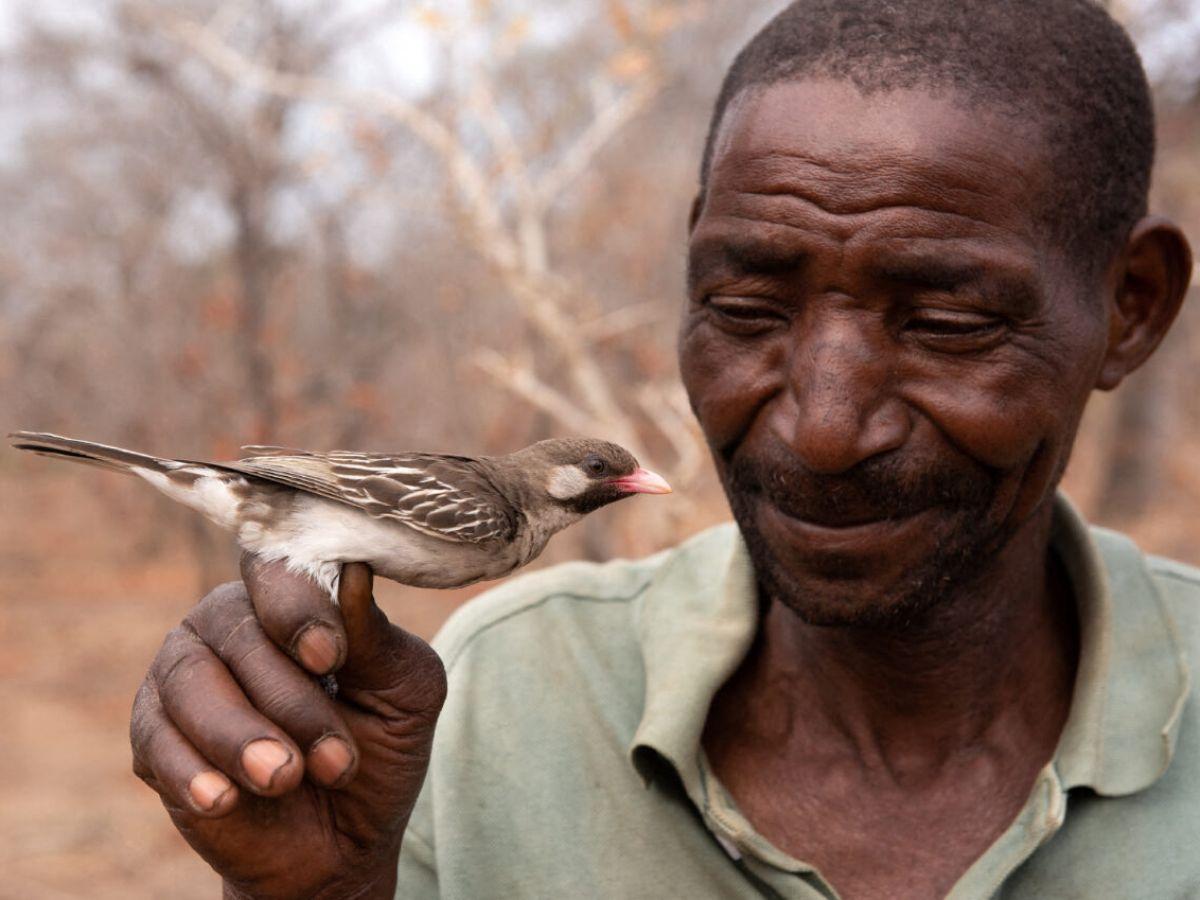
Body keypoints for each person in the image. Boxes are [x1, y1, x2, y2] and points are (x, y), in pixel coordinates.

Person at [129, 1, 1199, 897]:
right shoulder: (482, 699)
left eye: (949, 325)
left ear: (1133, 307)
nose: (822, 431)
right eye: (743, 308)